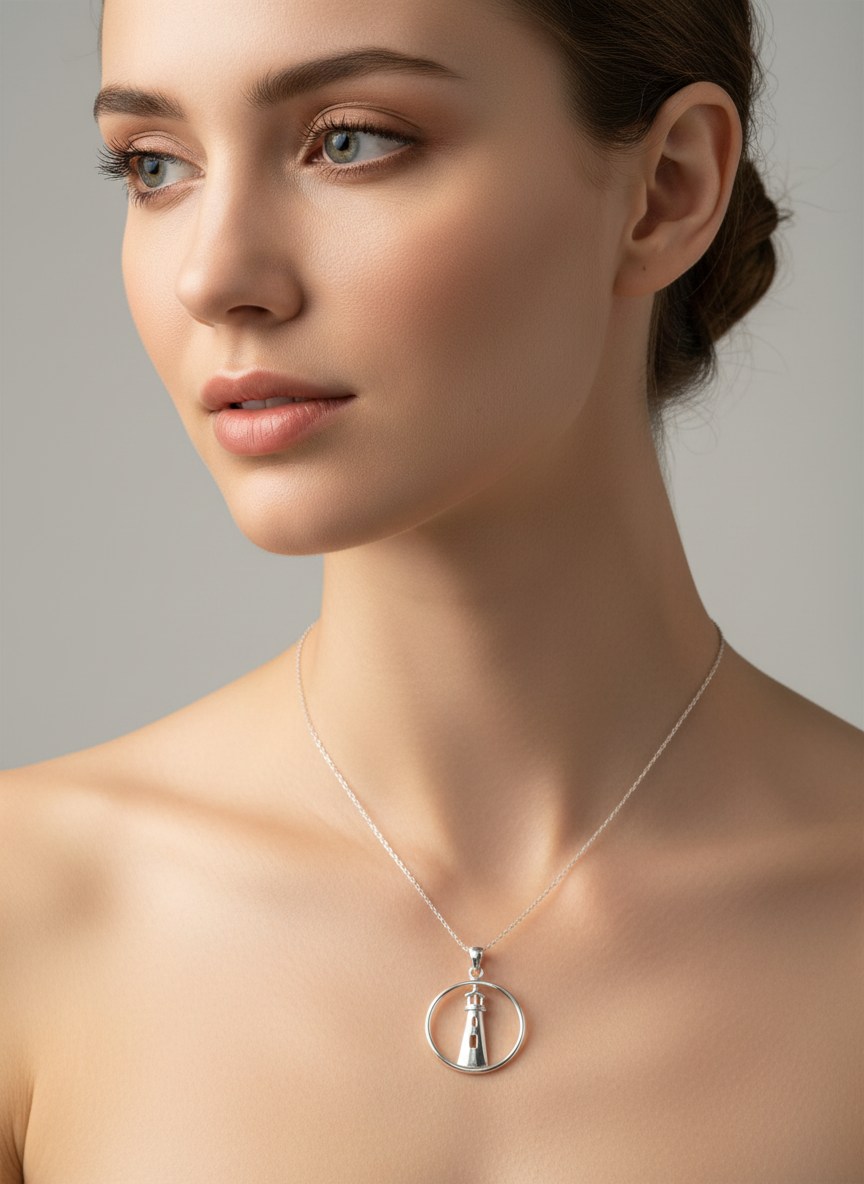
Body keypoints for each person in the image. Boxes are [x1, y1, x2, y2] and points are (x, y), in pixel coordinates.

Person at [1, 0, 861, 1178]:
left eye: (349, 139)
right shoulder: (28, 906)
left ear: (666, 189)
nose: (216, 275)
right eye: (155, 166)